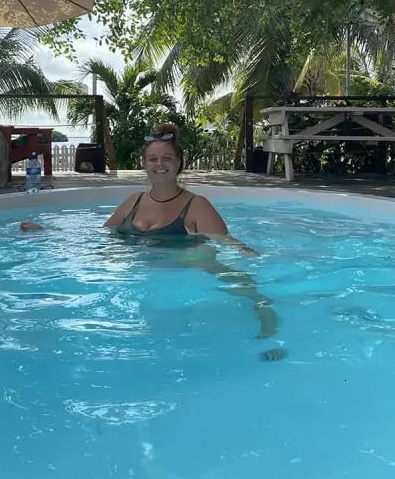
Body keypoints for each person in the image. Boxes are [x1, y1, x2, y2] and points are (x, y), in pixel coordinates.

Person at [20, 123, 279, 339]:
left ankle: (267, 318)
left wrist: (252, 255)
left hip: (184, 273)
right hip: (141, 281)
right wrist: (48, 230)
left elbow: (225, 243)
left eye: (167, 158)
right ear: (144, 164)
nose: (160, 164)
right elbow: (99, 236)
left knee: (237, 281)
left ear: (179, 163)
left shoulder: (196, 205)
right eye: (153, 159)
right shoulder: (133, 201)